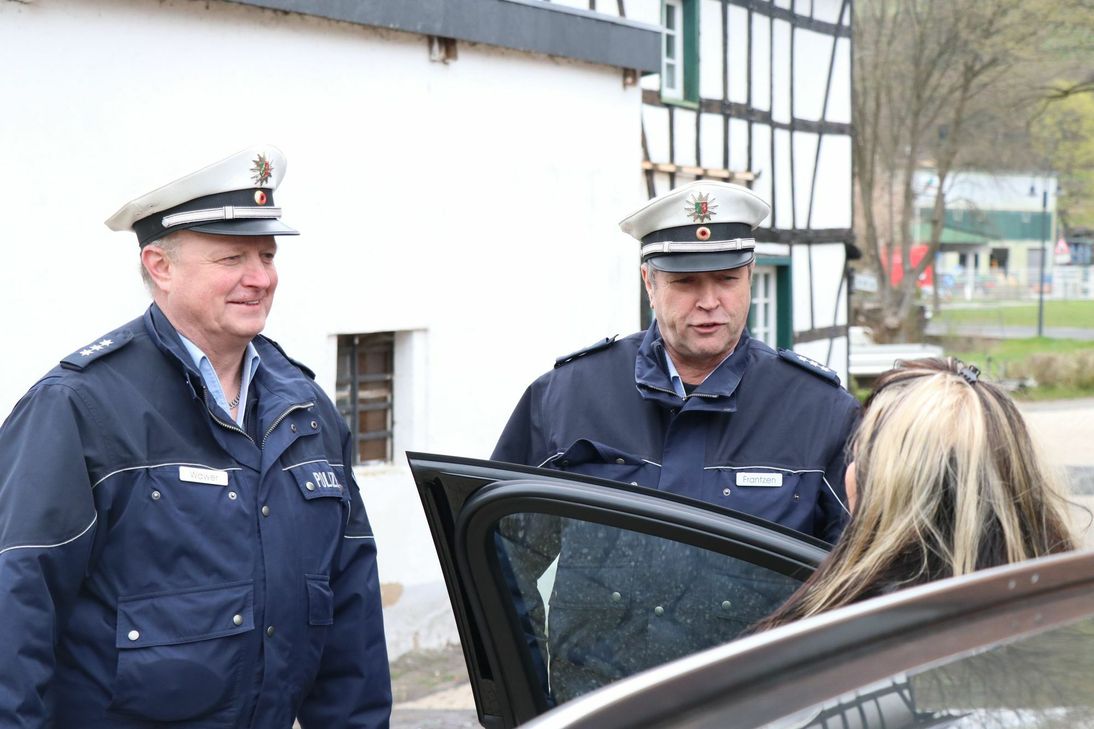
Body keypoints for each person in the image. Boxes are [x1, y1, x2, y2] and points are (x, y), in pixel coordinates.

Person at [0, 146, 392, 728]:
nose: (259, 279)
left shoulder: (306, 408)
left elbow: (351, 621)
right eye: (232, 256)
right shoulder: (79, 407)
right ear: (160, 266)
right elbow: (15, 608)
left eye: (267, 255)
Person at [491, 180, 860, 701]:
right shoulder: (568, 398)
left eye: (728, 279)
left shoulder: (820, 411)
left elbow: (864, 574)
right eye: (687, 283)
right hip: (603, 708)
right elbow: (500, 559)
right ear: (649, 281)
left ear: (751, 277)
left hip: (757, 708)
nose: (710, 302)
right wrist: (527, 694)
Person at [755, 357, 1078, 632]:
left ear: (890, 490)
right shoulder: (1069, 614)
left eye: (860, 456)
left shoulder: (829, 640)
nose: (848, 472)